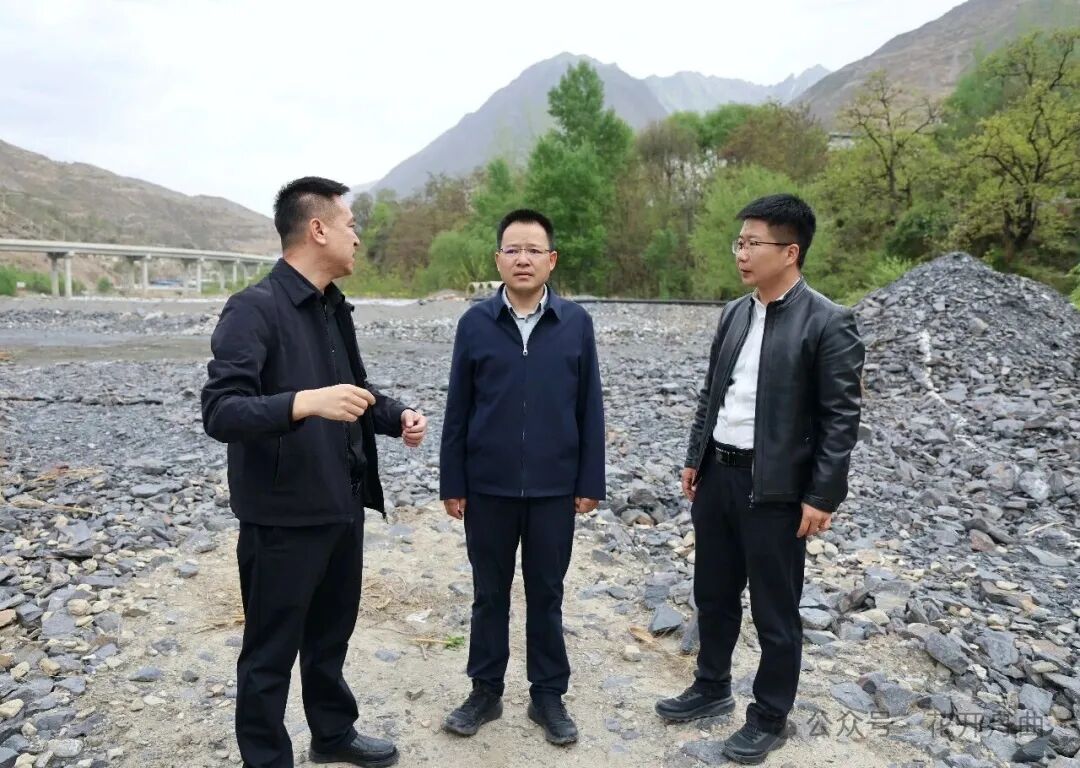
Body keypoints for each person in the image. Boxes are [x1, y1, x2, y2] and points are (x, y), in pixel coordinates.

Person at [202, 176, 427, 768]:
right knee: (269, 653)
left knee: (330, 637)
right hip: (281, 519)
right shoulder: (253, 308)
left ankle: (332, 734)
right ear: (318, 229)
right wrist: (303, 402)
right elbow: (221, 411)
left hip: (341, 504)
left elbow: (353, 391)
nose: (358, 236)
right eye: (350, 224)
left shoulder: (332, 308)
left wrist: (396, 415)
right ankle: (267, 759)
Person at [655, 194, 864, 765]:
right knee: (713, 593)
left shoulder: (828, 321)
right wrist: (695, 455)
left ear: (790, 252)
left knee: (775, 610)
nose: (741, 254)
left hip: (775, 488)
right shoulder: (734, 313)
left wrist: (822, 495)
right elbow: (712, 393)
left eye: (753, 243)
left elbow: (841, 419)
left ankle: (770, 716)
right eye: (739, 242)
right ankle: (711, 686)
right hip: (718, 476)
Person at [438, 209, 605, 746]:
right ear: (498, 260)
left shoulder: (575, 323)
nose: (523, 259)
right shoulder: (475, 324)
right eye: (513, 250)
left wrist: (589, 481)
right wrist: (453, 482)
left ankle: (547, 695)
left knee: (546, 594)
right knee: (489, 594)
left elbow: (589, 406)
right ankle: (484, 691)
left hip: (555, 489)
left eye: (534, 250)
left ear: (551, 260)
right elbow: (459, 408)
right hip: (488, 487)